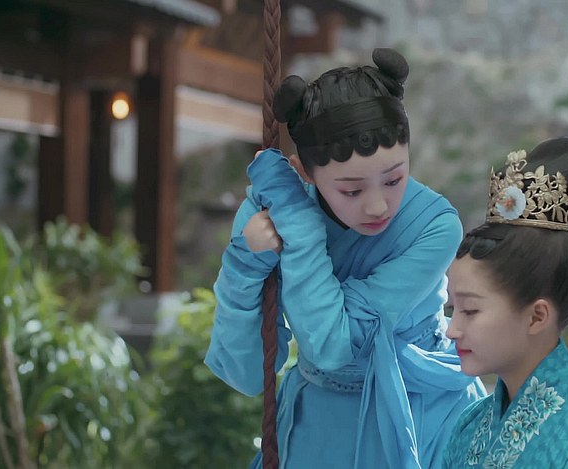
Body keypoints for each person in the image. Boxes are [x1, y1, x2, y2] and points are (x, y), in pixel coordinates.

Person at [205, 48, 485, 469]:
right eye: (351, 190)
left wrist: (301, 228)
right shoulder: (271, 210)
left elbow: (333, 346)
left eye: (394, 178)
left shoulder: (435, 227)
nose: (377, 206)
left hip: (422, 411)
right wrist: (246, 261)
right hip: (318, 424)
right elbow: (246, 374)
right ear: (305, 172)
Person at [441, 137, 568, 468]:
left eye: (470, 310)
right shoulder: (470, 425)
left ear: (537, 316)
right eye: (452, 309)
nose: (452, 330)